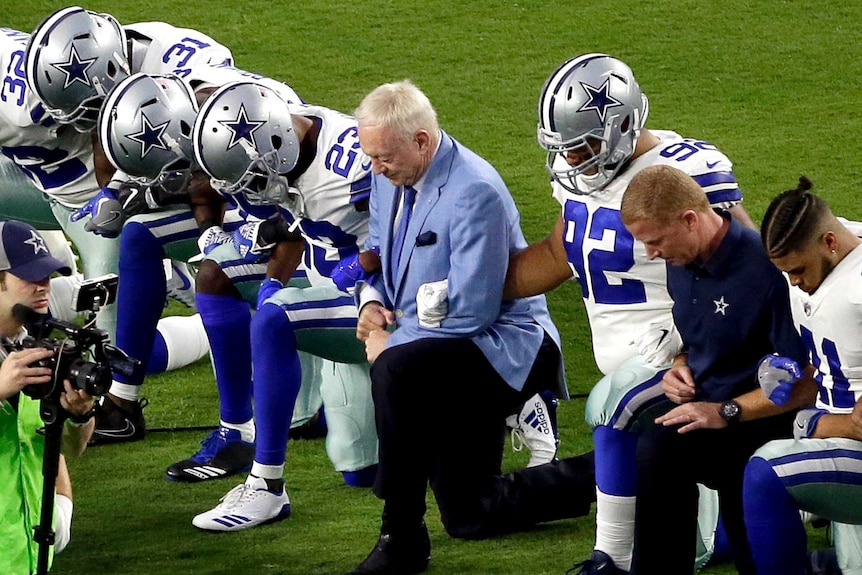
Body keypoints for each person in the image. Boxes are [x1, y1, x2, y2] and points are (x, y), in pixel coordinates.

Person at [504, 53, 756, 574]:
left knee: (608, 407)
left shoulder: (685, 172)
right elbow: (558, 254)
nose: (573, 161)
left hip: (687, 357)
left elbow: (747, 265)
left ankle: (612, 558)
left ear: (621, 124)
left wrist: (694, 338)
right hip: (636, 357)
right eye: (564, 149)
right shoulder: (583, 180)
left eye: (583, 146)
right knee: (716, 535)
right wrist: (475, 294)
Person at [345, 80, 596, 575]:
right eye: (370, 156)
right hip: (445, 345)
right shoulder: (387, 175)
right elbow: (377, 252)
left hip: (506, 346)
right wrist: (371, 303)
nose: (375, 168)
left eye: (383, 157)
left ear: (421, 140)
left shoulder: (474, 191)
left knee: (397, 371)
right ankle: (615, 468)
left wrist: (392, 342)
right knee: (470, 514)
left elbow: (472, 310)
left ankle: (401, 537)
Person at [21, 6, 236, 442]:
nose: (78, 125)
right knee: (132, 244)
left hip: (243, 193)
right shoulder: (114, 73)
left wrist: (138, 195)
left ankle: (210, 315)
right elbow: (107, 163)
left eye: (88, 110)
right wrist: (117, 194)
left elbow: (220, 175)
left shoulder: (201, 83)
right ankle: (124, 397)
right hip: (186, 179)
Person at [183, 79, 383, 529]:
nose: (250, 193)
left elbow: (423, 221)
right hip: (334, 288)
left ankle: (266, 486)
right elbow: (295, 220)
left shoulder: (357, 164)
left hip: (388, 301)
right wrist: (273, 277)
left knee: (274, 319)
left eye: (253, 179)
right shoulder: (285, 134)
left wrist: (367, 262)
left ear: (276, 148)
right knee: (361, 473)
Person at [617, 164, 818, 575]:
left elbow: (806, 381)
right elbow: (699, 336)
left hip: (764, 420)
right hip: (710, 410)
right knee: (657, 447)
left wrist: (726, 412)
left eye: (655, 241)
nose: (652, 254)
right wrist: (680, 364)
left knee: (692, 465)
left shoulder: (766, 271)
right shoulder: (681, 257)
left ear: (690, 220)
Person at [743, 177, 862, 575]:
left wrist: (815, 422)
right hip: (832, 431)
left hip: (848, 440)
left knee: (767, 473)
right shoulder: (832, 244)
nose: (793, 281)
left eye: (797, 270)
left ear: (829, 243)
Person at [0, 219, 96, 574]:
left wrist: (80, 415)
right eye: (29, 276)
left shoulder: (33, 350)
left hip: (26, 552)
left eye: (47, 275)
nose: (44, 286)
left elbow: (67, 448)